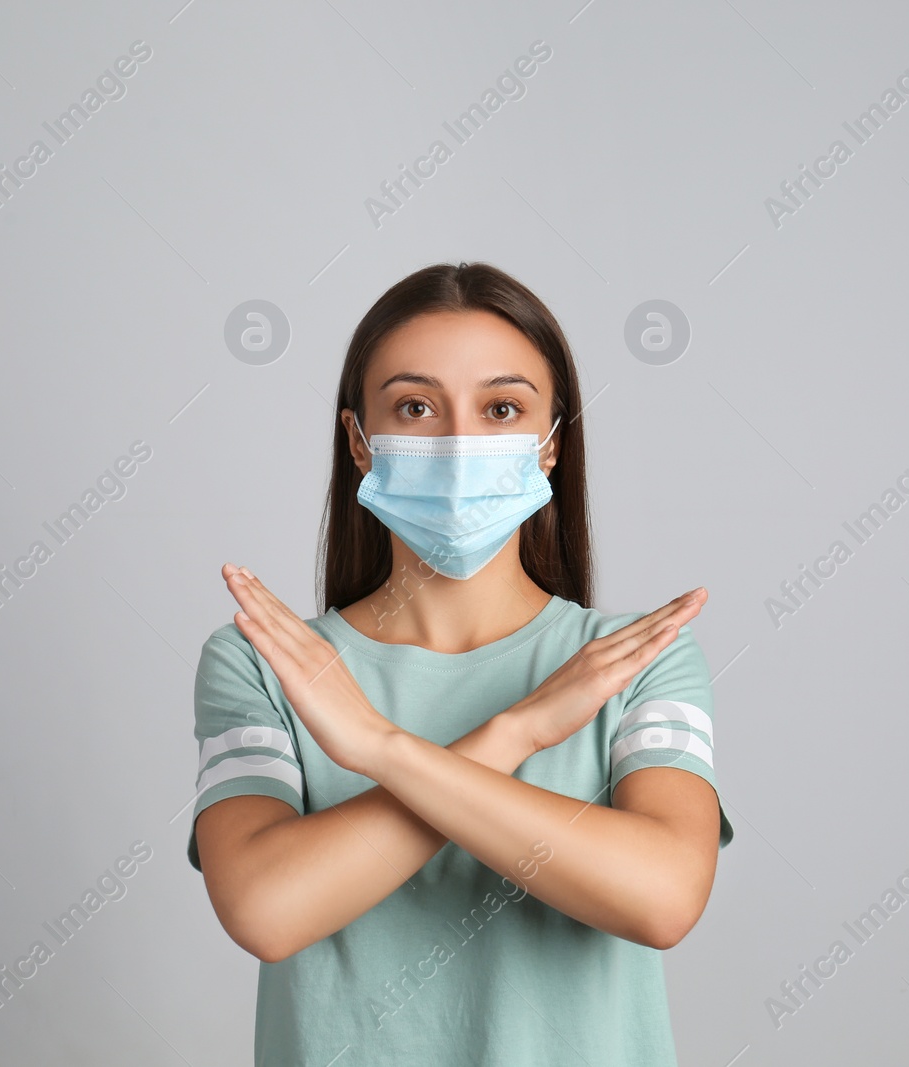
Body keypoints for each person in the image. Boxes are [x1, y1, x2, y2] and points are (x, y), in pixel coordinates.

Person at [188, 261, 732, 1066]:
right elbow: (268, 910)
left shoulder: (635, 661)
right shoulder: (265, 662)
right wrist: (517, 733)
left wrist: (380, 749)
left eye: (502, 408)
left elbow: (662, 900)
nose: (456, 443)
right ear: (359, 440)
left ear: (552, 445)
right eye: (415, 406)